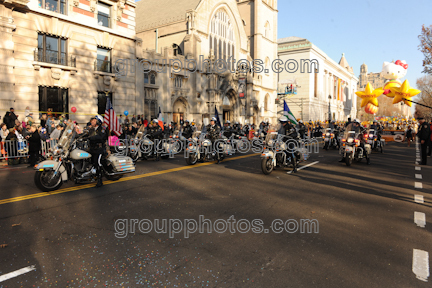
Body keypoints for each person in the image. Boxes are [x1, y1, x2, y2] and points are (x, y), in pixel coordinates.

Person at [86, 115, 108, 187]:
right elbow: (86, 135)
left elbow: (100, 137)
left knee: (97, 163)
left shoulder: (102, 129)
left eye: (94, 120)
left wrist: (91, 137)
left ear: (98, 121)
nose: (92, 121)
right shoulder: (91, 129)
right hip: (92, 149)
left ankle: (100, 180)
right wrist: (77, 136)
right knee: (88, 160)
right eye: (92, 120)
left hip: (99, 149)